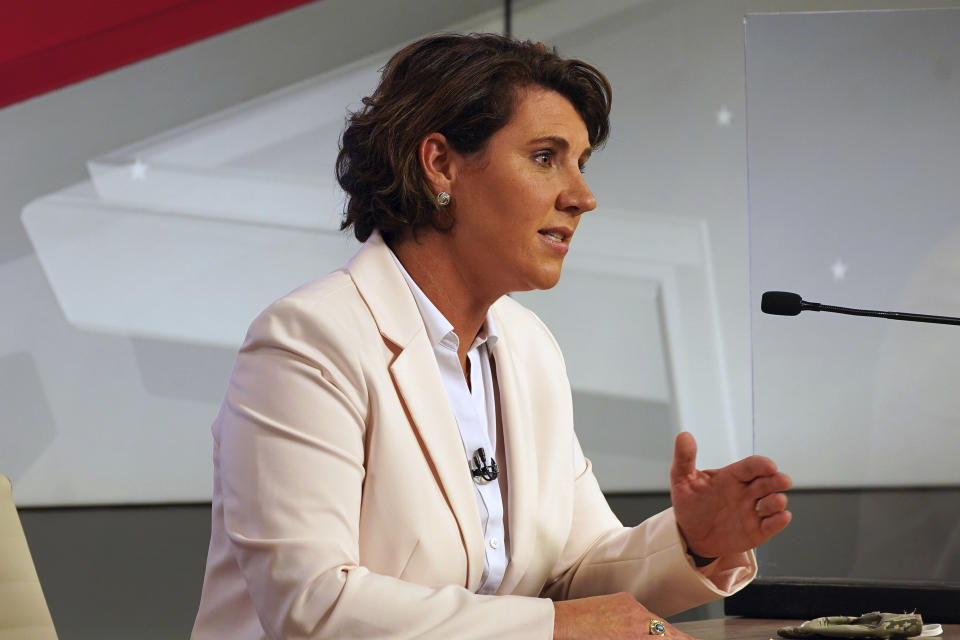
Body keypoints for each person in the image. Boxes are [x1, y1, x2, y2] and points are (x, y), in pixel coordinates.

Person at [190, 33, 792, 640]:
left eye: (581, 162)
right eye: (544, 157)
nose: (581, 196)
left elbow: (574, 576)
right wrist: (558, 630)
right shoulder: (308, 342)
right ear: (441, 164)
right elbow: (314, 605)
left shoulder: (529, 349)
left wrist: (694, 542)